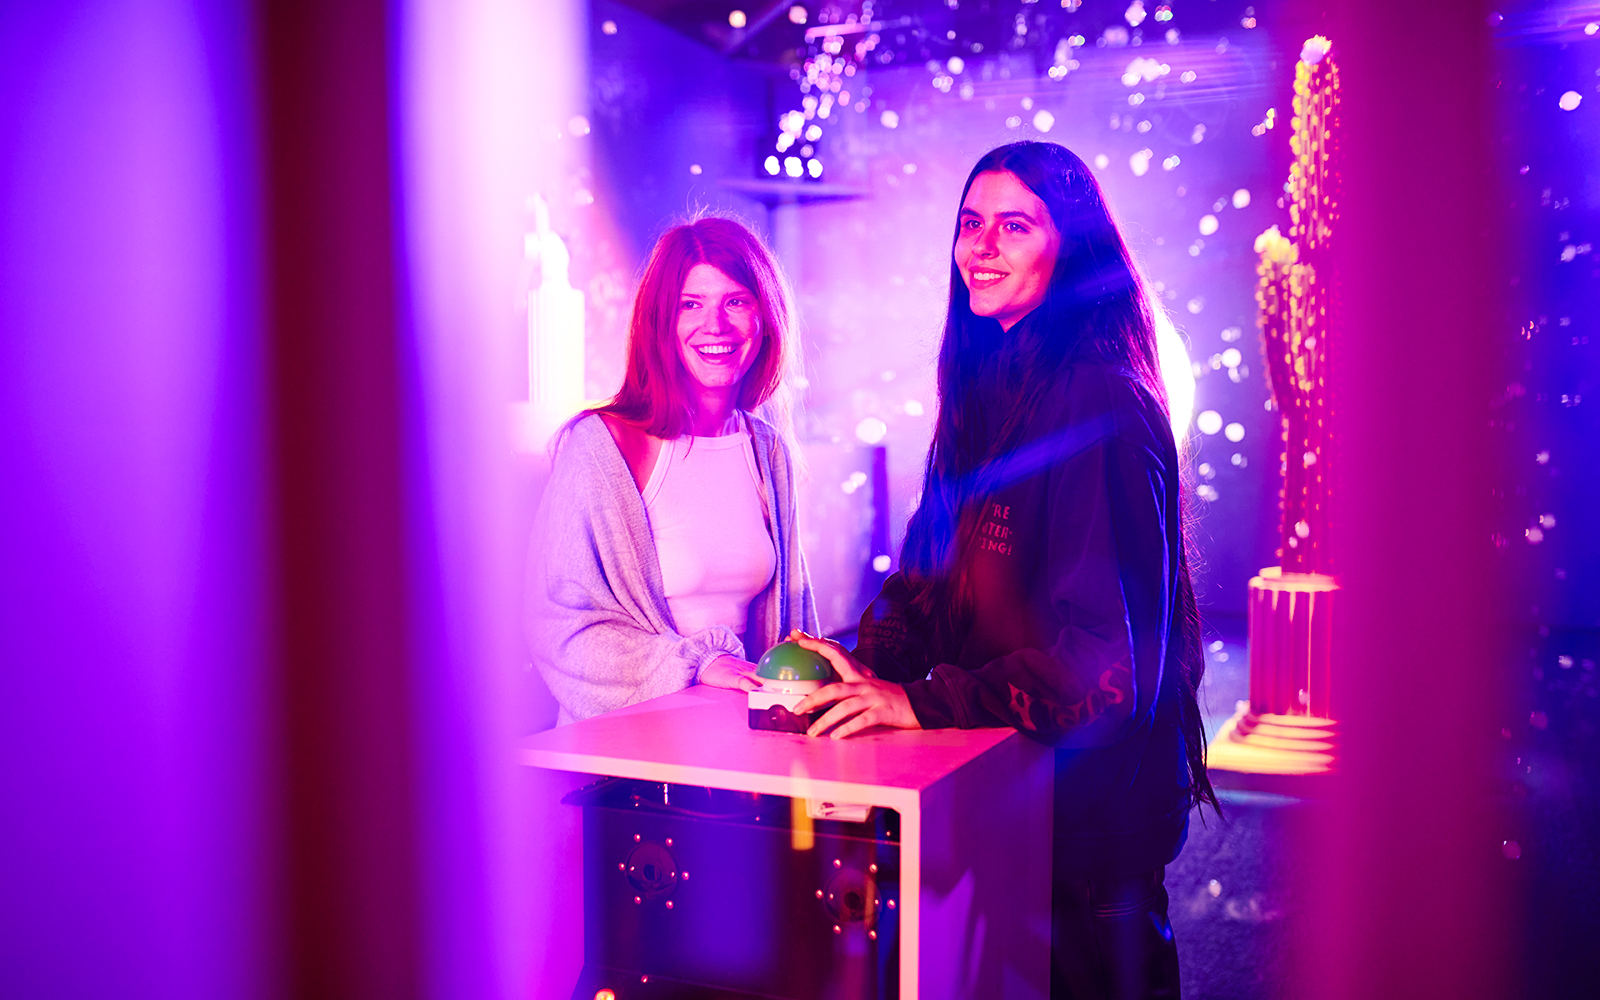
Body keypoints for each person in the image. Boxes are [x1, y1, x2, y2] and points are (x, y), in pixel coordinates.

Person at [790, 142, 1219, 999]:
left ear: (1073, 251)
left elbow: (1108, 671)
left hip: (1093, 830)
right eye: (971, 225)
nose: (981, 247)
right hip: (1010, 799)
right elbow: (929, 577)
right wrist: (869, 668)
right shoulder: (988, 387)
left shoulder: (1100, 400)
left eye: (1014, 226)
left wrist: (923, 699)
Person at [527, 217, 817, 725]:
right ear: (660, 321)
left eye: (736, 301)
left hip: (745, 755)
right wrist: (700, 663)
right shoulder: (601, 446)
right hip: (628, 761)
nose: (716, 326)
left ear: (764, 316)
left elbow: (793, 623)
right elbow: (559, 629)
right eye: (691, 304)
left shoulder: (768, 451)